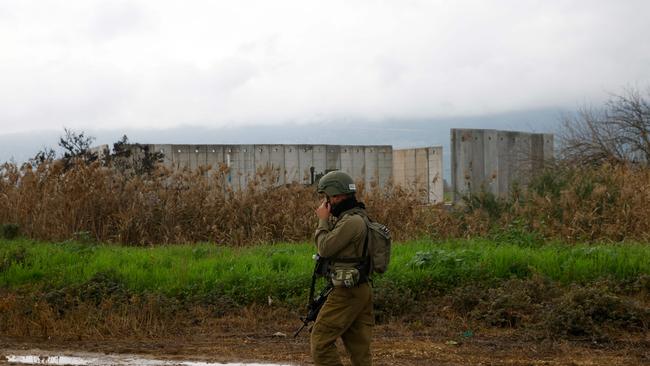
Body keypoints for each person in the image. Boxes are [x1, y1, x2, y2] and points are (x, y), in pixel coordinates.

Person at [311, 170, 373, 366]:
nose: (325, 202)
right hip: (358, 288)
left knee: (320, 341)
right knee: (359, 351)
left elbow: (325, 247)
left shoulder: (351, 222)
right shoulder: (357, 217)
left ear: (337, 196)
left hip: (347, 292)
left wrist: (322, 219)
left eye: (327, 198)